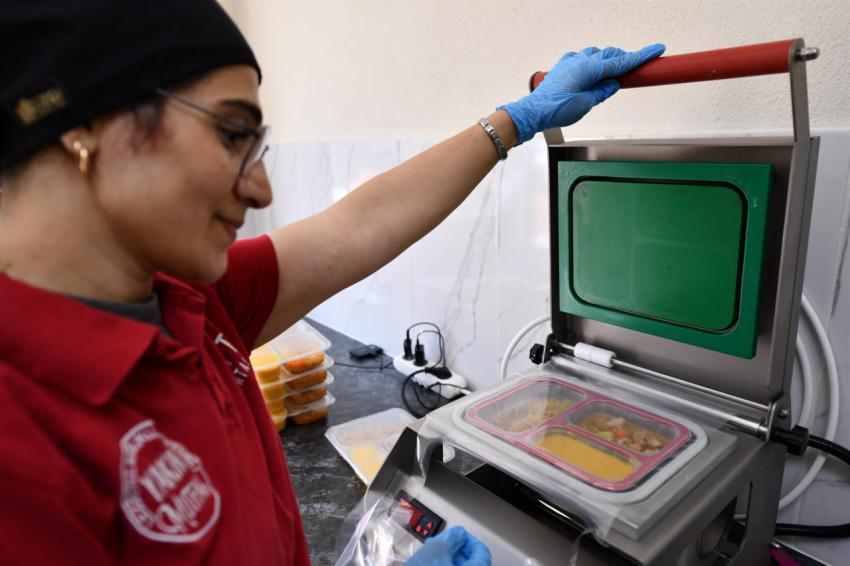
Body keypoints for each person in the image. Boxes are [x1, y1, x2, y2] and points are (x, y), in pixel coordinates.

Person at [0, 1, 663, 564]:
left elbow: (355, 226)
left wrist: (519, 120)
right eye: (233, 133)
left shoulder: (191, 302)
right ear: (85, 123)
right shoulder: (21, 447)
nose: (260, 187)